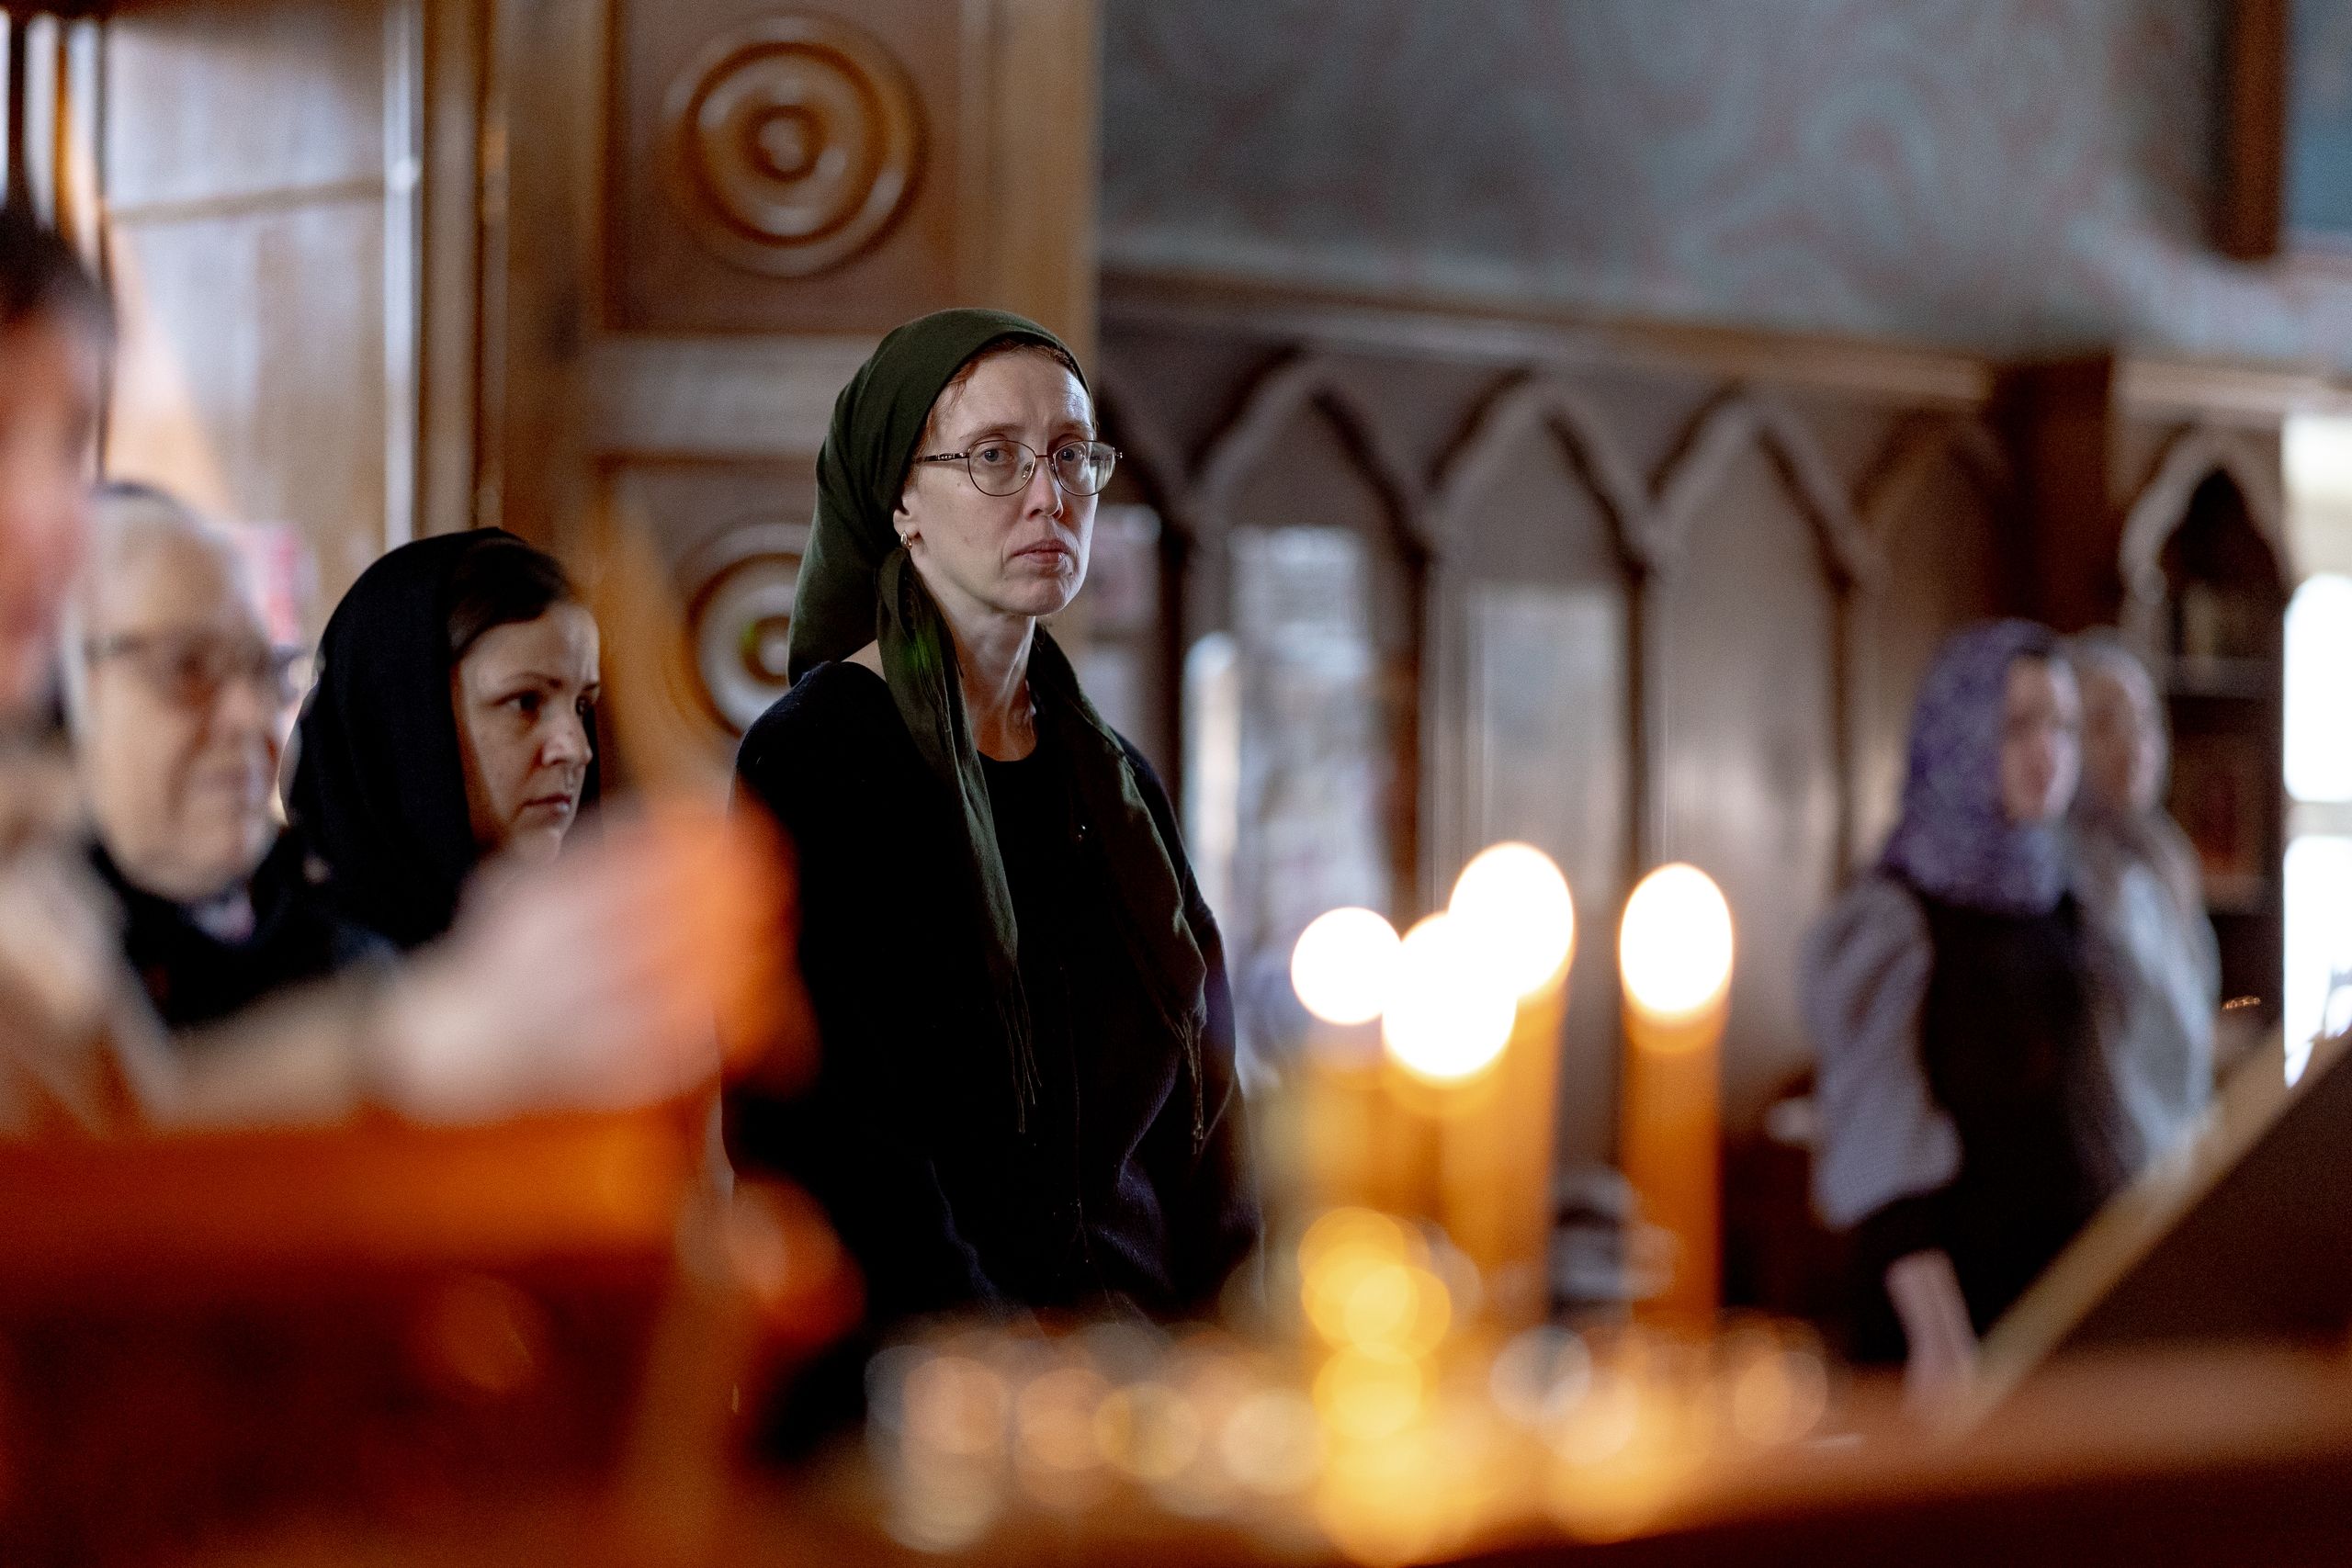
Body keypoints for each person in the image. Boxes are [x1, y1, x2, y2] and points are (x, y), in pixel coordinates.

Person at [0, 205, 788, 1134]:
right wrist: (432, 1043)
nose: (51, 519)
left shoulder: (48, 890)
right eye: (187, 670)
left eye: (70, 444)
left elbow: (122, 1160)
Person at [728, 309, 1258, 1335]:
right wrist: (1013, 1375)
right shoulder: (819, 757)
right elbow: (834, 1143)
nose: (1049, 496)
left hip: (1147, 1371)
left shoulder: (1116, 782)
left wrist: (1224, 1344)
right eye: (994, 457)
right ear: (900, 503)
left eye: (1071, 455)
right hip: (925, 1375)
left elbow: (1213, 1107)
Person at [1804, 620, 2132, 1402]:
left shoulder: (2066, 898)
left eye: (2062, 727)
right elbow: (1883, 1146)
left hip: (2063, 1294)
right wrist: (1939, 1333)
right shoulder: (1896, 918)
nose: (2047, 752)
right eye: (2018, 726)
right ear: (1960, 735)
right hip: (1945, 1309)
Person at [61, 483, 388, 1029]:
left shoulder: (357, 970)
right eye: (188, 667)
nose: (253, 716)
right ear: (54, 697)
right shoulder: (30, 992)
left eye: (265, 671)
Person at [288, 529, 599, 951]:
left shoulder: (580, 947)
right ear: (405, 721)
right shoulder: (304, 969)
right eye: (525, 702)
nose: (578, 749)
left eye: (582, 706)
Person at [2066, 631, 2218, 1157]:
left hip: (2183, 1151)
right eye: (2105, 723)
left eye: (2145, 720)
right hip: (2113, 1168)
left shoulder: (2166, 856)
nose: (2133, 742)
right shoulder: (2054, 873)